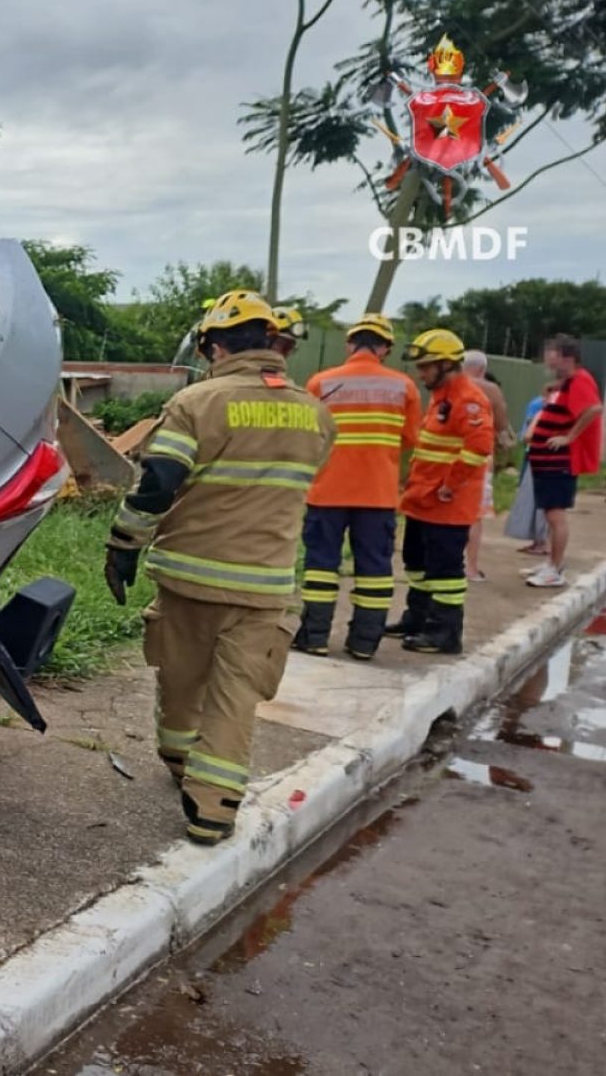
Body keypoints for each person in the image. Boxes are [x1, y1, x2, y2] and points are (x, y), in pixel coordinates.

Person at [104, 290, 334, 846]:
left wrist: (123, 544)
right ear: (273, 343)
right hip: (266, 587)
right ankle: (214, 810)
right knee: (236, 698)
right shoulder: (316, 414)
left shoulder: (198, 403)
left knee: (182, 678)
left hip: (190, 576)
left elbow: (158, 483)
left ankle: (180, 759)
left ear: (213, 346)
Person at [293, 313, 420, 660]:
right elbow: (409, 438)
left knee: (320, 565)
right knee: (375, 571)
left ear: (350, 344)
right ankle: (364, 643)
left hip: (327, 491)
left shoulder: (320, 382)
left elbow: (307, 434)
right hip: (377, 494)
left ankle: (314, 637)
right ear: (385, 348)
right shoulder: (404, 387)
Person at [388, 329, 495, 653]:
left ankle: (445, 632)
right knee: (416, 563)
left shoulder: (469, 400)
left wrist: (450, 486)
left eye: (427, 366)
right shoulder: (442, 398)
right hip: (424, 499)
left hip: (447, 503)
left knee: (445, 570)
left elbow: (478, 449)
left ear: (447, 365)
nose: (421, 373)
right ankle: (417, 619)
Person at [524, 334, 603, 588]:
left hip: (559, 461)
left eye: (552, 352)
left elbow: (593, 408)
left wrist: (569, 437)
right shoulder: (566, 383)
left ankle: (555, 569)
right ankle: (551, 563)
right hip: (546, 460)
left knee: (556, 515)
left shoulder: (580, 380)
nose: (547, 357)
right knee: (550, 513)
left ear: (566, 356)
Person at [461, 351, 513, 582]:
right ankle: (470, 568)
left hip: (446, 456)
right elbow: (502, 425)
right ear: (482, 369)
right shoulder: (490, 389)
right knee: (474, 515)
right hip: (479, 457)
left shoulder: (447, 386)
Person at [507, 382, 557, 554]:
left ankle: (541, 542)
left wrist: (534, 422)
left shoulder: (544, 412)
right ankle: (539, 542)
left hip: (539, 459)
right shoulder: (563, 416)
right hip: (553, 462)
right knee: (544, 504)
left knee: (536, 501)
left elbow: (528, 436)